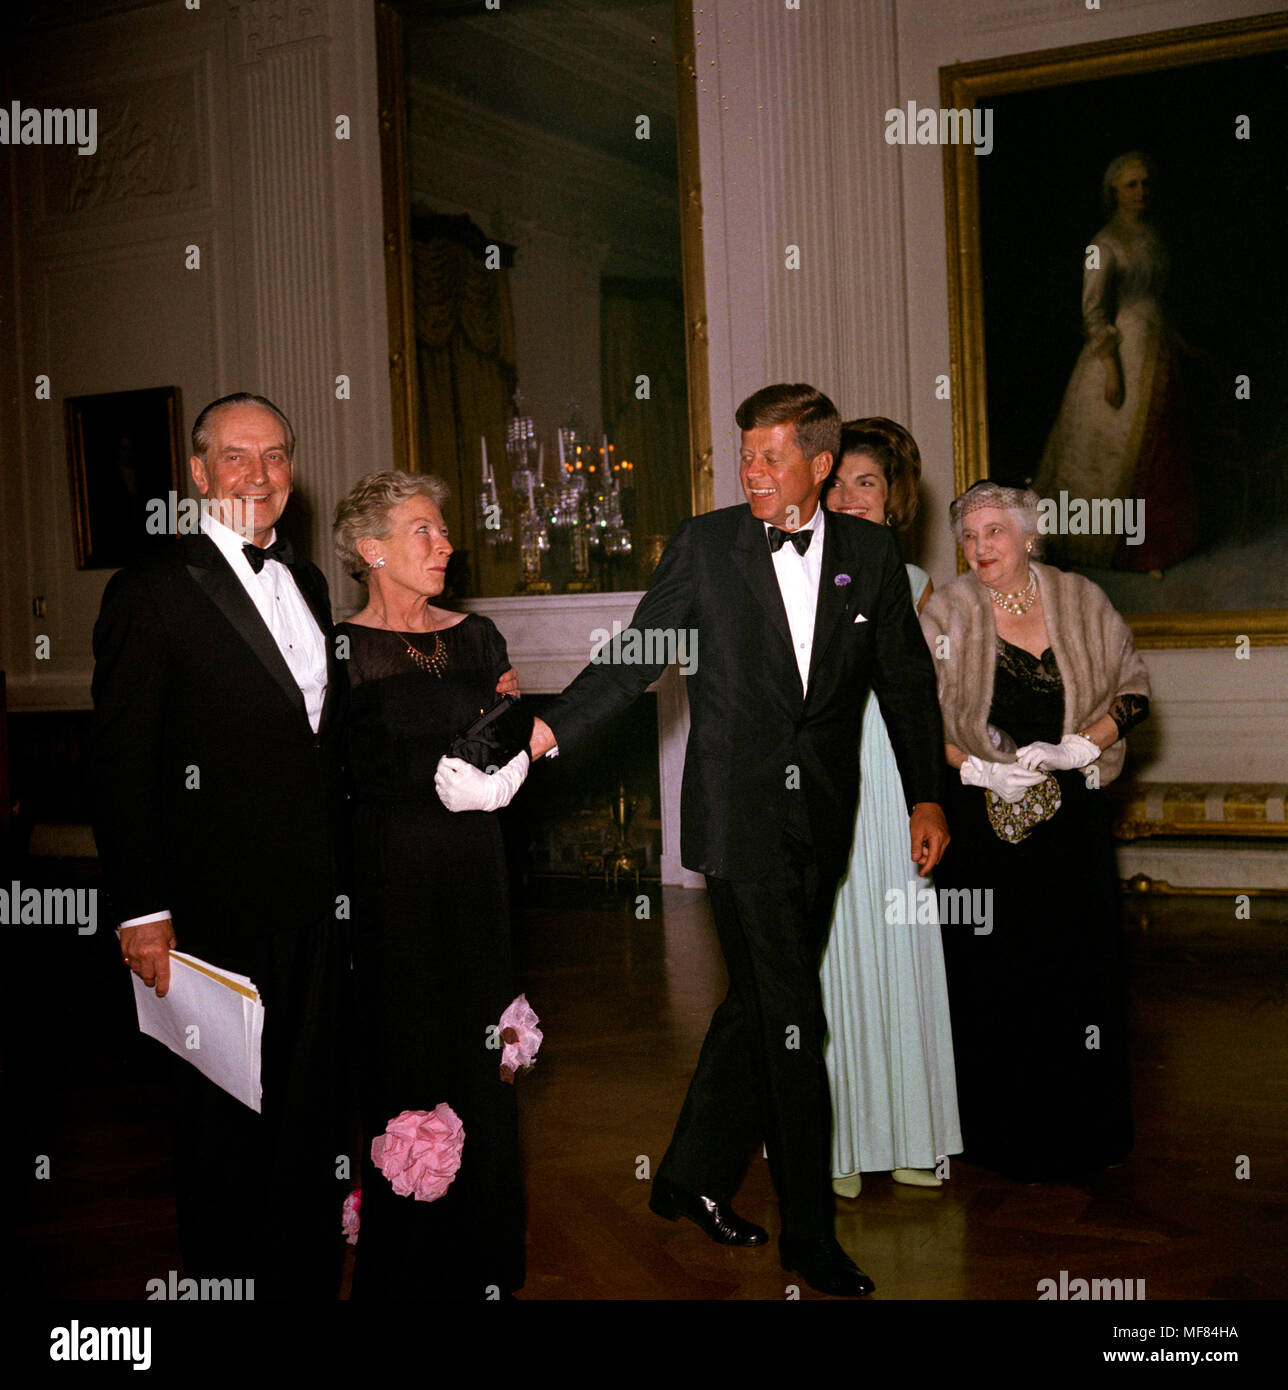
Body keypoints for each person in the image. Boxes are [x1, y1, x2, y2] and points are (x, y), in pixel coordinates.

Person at [527, 384, 949, 1298]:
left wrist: (927, 797)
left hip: (823, 815)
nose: (751, 472)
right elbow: (638, 656)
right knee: (796, 1014)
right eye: (744, 456)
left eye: (770, 457)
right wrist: (548, 729)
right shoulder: (707, 545)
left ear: (820, 465)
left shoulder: (870, 553)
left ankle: (688, 1176)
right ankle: (811, 1236)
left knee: (757, 1005)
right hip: (736, 817)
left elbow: (906, 681)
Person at [91, 392, 351, 1298]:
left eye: (275, 455)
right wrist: (141, 912)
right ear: (199, 474)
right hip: (210, 913)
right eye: (236, 457)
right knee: (220, 1129)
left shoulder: (309, 582)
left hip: (316, 903)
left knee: (309, 1114)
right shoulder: (150, 589)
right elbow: (120, 761)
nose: (259, 474)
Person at [333, 469, 528, 1300]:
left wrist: (512, 746)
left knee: (482, 1053)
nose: (446, 543)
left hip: (477, 870)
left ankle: (482, 1255)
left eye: (443, 529)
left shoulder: (478, 637)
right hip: (389, 880)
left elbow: (511, 739)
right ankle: (409, 1259)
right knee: (405, 1049)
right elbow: (324, 778)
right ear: (371, 549)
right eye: (425, 530)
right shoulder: (340, 648)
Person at [920, 481, 1150, 1183]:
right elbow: (915, 718)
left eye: (995, 531)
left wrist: (1082, 746)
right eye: (969, 536)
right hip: (982, 823)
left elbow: (1134, 690)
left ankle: (1084, 1127)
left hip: (1074, 820)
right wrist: (975, 770)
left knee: (1078, 966)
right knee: (994, 973)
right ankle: (998, 1132)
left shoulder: (1081, 600)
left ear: (1028, 536)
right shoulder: (945, 612)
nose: (980, 546)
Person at [819, 419, 961, 1198]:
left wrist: (929, 796)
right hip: (822, 779)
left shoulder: (914, 584)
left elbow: (933, 699)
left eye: (866, 483)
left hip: (894, 778)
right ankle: (837, 1143)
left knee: (901, 950)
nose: (849, 497)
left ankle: (911, 1133)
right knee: (830, 955)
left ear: (893, 497)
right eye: (837, 482)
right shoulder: (797, 573)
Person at [1032, 151, 1198, 573]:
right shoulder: (1101, 245)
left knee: (1161, 448)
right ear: (1114, 191)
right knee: (1111, 455)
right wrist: (1111, 368)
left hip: (1157, 351)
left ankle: (1157, 547)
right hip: (1122, 353)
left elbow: (1158, 299)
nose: (1141, 191)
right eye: (1131, 185)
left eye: (1145, 183)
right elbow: (1092, 312)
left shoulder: (1153, 237)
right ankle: (1120, 550)